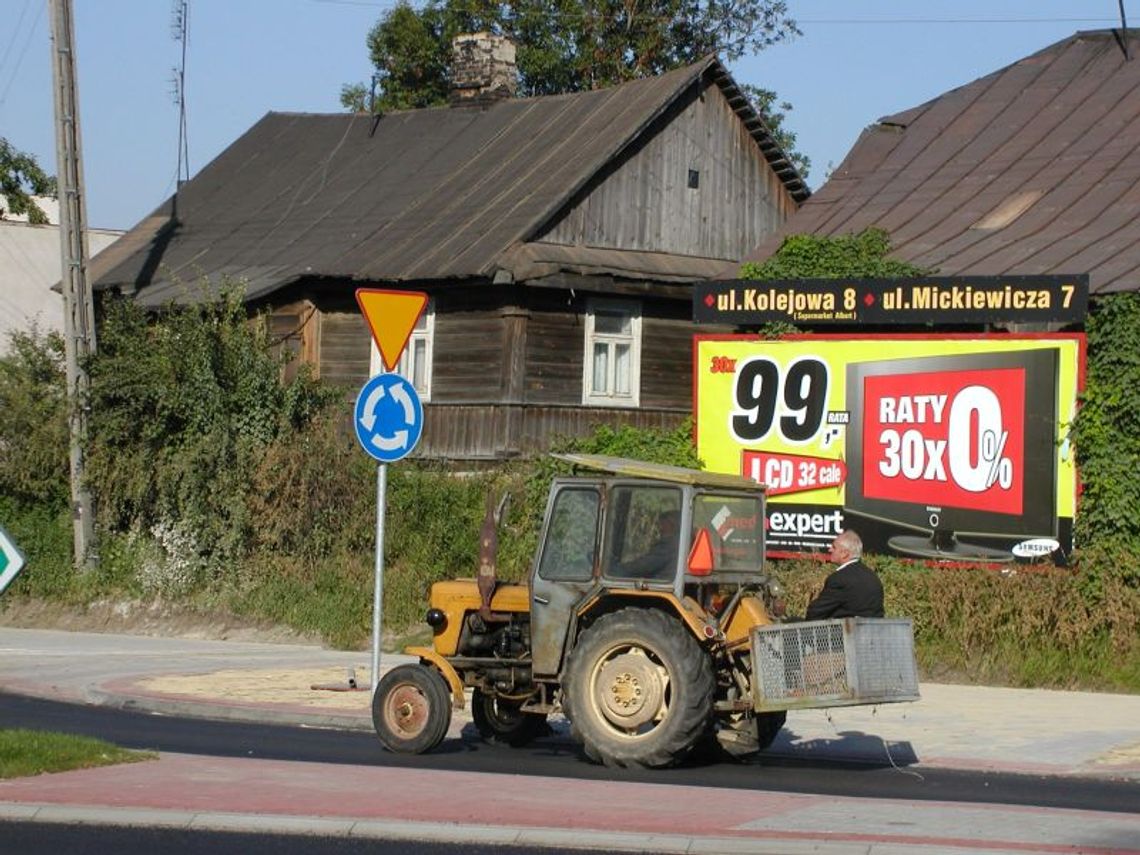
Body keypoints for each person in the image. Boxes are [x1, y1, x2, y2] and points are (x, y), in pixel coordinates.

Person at [805, 529, 884, 619]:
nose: (829, 549)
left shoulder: (839, 579)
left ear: (845, 553)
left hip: (845, 631)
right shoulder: (873, 577)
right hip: (873, 631)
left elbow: (816, 612)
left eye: (834, 547)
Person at [621, 509, 680, 578]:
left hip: (659, 584)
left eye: (663, 525)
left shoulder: (668, 546)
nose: (660, 528)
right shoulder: (675, 544)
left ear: (673, 525)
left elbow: (644, 566)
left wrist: (622, 569)